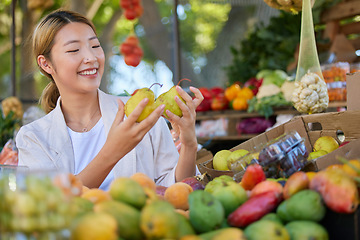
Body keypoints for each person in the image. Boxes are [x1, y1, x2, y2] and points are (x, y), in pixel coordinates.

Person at [15, 9, 203, 190]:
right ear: (46, 64)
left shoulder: (141, 112)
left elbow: (176, 191)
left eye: (95, 46)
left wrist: (189, 145)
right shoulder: (33, 137)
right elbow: (51, 205)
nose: (90, 57)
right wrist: (113, 151)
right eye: (74, 50)